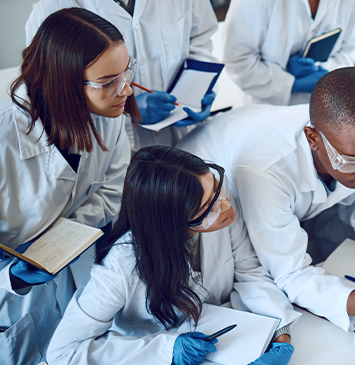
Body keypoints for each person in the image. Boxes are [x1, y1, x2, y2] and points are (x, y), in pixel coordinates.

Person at [178, 67, 355, 349]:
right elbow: (289, 272)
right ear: (313, 139)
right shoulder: (264, 171)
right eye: (353, 160)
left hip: (263, 151)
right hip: (200, 189)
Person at [46, 146, 298, 365]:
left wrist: (280, 331)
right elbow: (62, 352)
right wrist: (166, 350)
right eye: (208, 206)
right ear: (172, 222)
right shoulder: (121, 266)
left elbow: (250, 272)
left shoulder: (222, 214)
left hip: (225, 345)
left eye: (218, 190)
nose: (226, 206)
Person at [0, 8, 136, 364]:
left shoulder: (109, 117)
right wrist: (10, 276)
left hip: (72, 281)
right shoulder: (3, 142)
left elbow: (112, 189)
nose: (126, 90)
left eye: (126, 72)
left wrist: (58, 241)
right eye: (108, 82)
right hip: (12, 301)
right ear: (61, 81)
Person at [26, 0, 219, 150]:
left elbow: (200, 40)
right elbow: (50, 97)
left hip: (183, 137)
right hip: (109, 151)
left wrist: (197, 91)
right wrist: (129, 113)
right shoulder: (53, 8)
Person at [223, 0, 355, 106]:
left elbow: (348, 51)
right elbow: (238, 62)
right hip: (263, 109)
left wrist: (324, 75)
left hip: (322, 108)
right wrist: (292, 83)